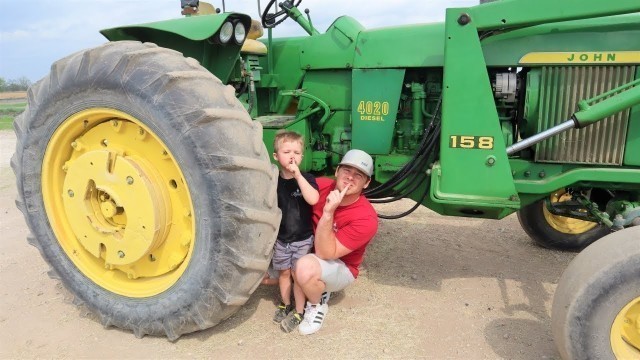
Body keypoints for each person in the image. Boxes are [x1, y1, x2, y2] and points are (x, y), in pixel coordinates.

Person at [287, 149, 378, 335]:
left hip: (341, 266)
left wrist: (328, 213)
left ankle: (316, 305)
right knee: (284, 268)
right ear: (337, 171)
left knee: (303, 269)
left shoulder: (366, 218)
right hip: (312, 253)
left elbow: (325, 253)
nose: (350, 178)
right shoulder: (320, 186)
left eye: (358, 175)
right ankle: (315, 284)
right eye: (347, 171)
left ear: (367, 183)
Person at [269, 130, 320, 333]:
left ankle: (299, 311)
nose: (292, 156)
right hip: (281, 239)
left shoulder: (306, 178)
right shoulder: (274, 182)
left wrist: (298, 175)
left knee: (298, 276)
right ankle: (285, 303)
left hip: (302, 239)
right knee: (283, 273)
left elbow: (313, 199)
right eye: (287, 151)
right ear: (276, 156)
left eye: (297, 152)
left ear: (302, 156)